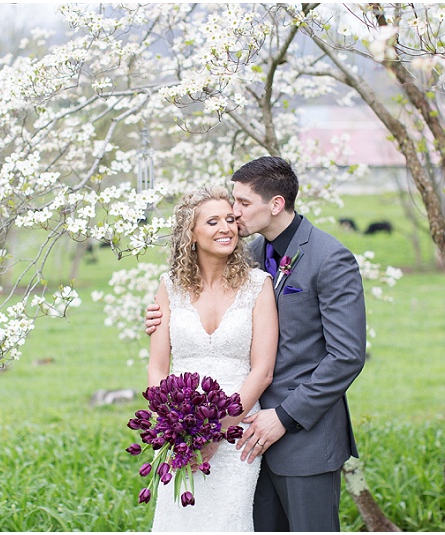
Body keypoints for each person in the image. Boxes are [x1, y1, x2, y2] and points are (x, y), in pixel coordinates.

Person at [146, 156, 366, 532]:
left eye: (243, 203)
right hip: (244, 437)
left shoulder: (329, 258)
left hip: (303, 436)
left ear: (275, 204)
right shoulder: (248, 255)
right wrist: (160, 318)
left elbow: (346, 356)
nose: (234, 213)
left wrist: (283, 416)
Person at [147, 185, 278, 532]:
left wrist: (218, 432)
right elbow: (158, 367)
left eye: (231, 219)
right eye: (213, 221)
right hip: (180, 436)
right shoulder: (169, 287)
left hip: (237, 436)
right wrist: (175, 428)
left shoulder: (258, 285)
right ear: (191, 233)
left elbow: (262, 371)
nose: (226, 228)